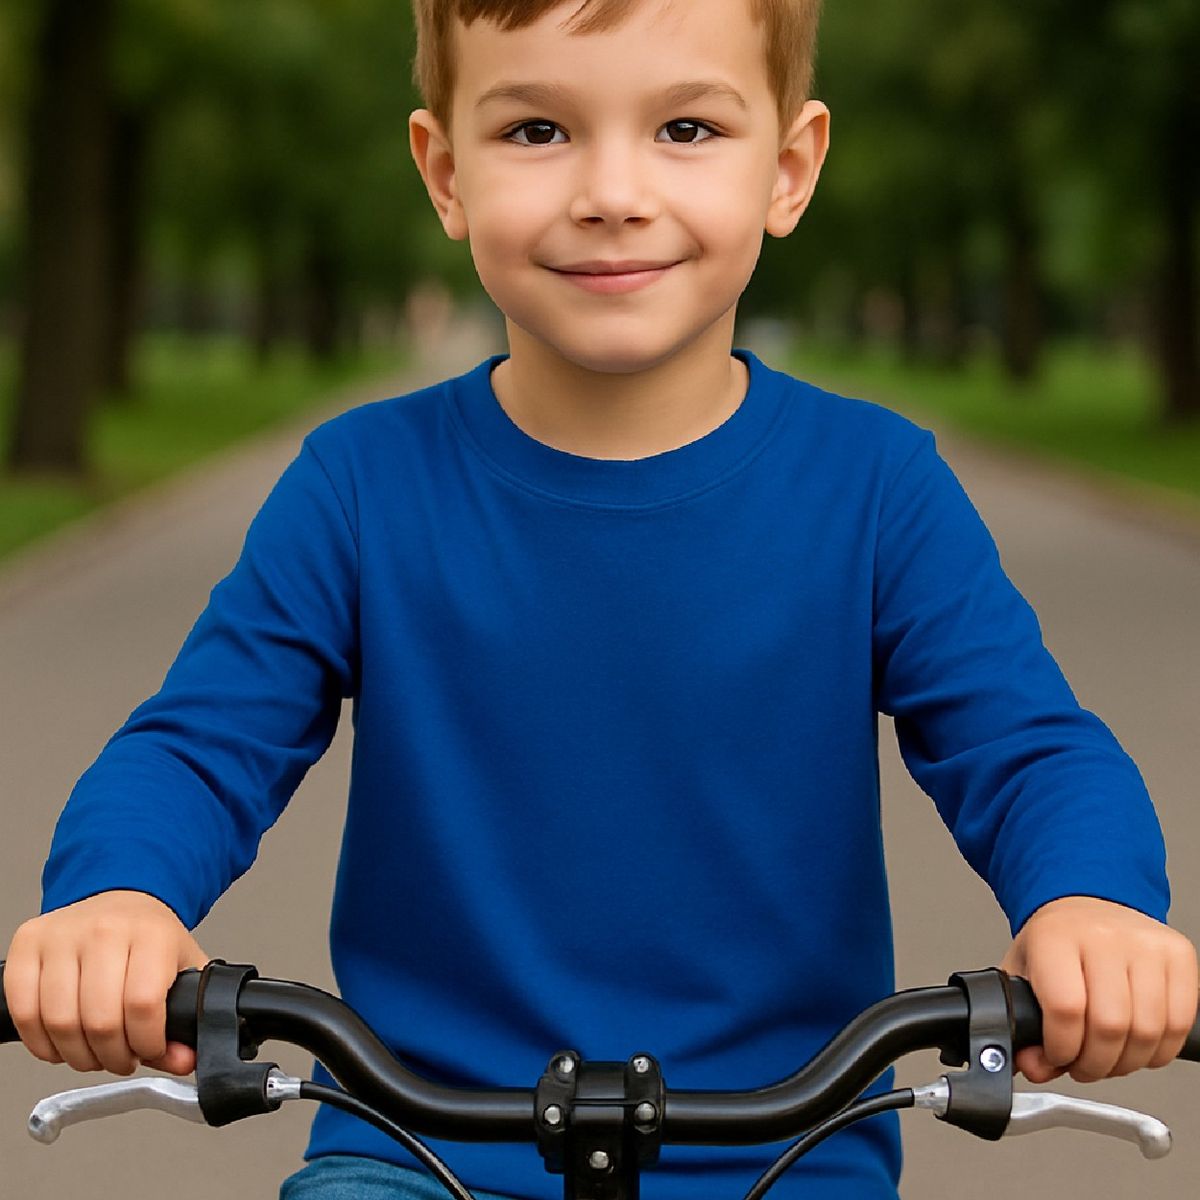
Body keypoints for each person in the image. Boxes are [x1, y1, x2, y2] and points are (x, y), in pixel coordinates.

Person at [4, 1, 1197, 1198]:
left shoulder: (878, 492)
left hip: (787, 1159)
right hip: (421, 1155)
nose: (612, 191)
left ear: (788, 170)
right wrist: (118, 896)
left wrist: (1091, 901)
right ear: (444, 171)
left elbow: (1026, 743)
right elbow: (204, 738)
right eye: (536, 131)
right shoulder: (360, 488)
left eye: (685, 126)